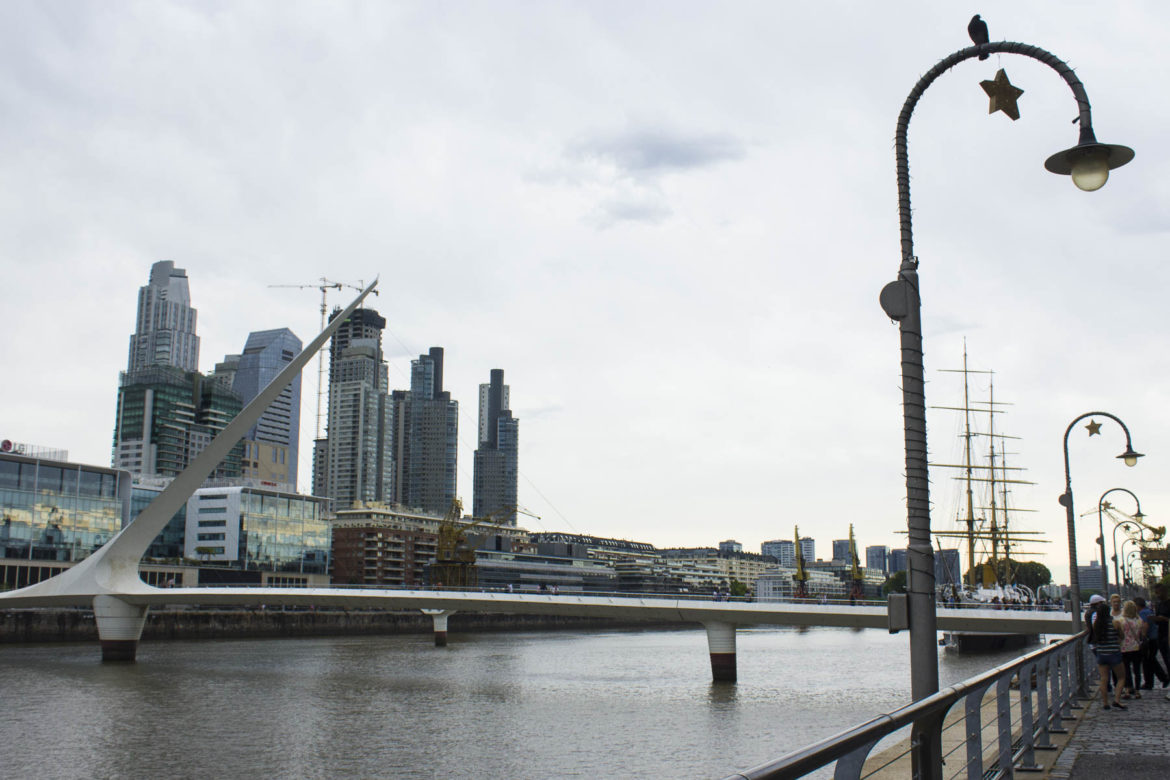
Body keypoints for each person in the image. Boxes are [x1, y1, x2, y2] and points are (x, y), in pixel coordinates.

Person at [1089, 599, 1127, 710]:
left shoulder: (1096, 624)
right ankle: (1117, 700)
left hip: (1101, 654)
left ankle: (1105, 703)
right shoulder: (1115, 622)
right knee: (1121, 677)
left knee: (1104, 679)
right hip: (1114, 653)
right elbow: (1122, 636)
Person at [1134, 596, 1168, 689]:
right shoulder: (1148, 611)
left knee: (1149, 660)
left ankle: (1162, 679)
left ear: (1137, 606)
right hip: (1154, 638)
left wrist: (1143, 638)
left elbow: (1145, 625)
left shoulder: (1142, 613)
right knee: (1149, 661)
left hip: (1149, 640)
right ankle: (1151, 682)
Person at [1118, 600, 1146, 698]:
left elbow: (1120, 634)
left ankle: (1127, 690)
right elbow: (1142, 634)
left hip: (1124, 648)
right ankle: (1137, 690)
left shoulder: (1121, 620)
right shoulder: (1139, 620)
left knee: (1126, 670)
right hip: (1136, 647)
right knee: (1137, 670)